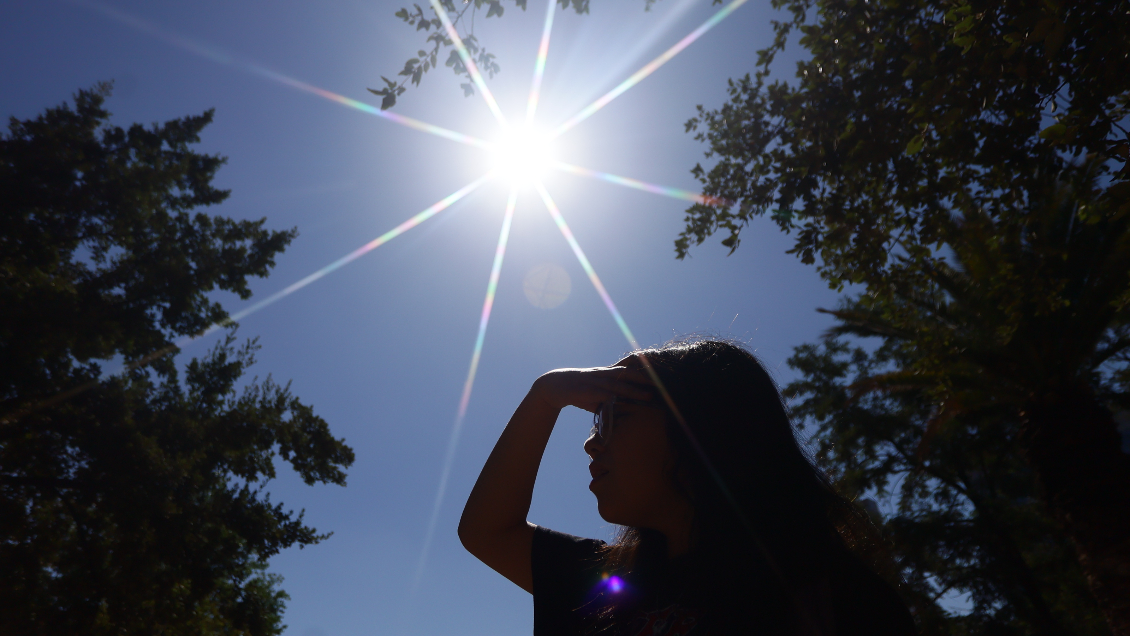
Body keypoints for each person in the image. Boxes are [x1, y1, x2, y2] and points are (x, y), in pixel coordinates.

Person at [458, 339, 916, 636]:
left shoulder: (836, 601)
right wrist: (547, 394)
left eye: (616, 417)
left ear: (701, 428)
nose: (592, 442)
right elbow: (486, 531)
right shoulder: (603, 582)